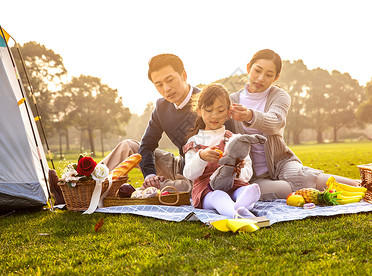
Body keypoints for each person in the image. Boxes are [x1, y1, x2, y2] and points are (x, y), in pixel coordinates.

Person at [229, 49, 360, 200]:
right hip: (251, 173)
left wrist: (249, 115)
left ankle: (360, 186)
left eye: (269, 75)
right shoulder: (232, 100)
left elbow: (275, 122)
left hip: (281, 162)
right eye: (257, 71)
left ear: (276, 77)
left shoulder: (279, 96)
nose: (260, 78)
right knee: (284, 189)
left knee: (303, 177)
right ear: (248, 68)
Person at [101, 53, 200, 192]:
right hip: (178, 164)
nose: (166, 89)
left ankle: (163, 188)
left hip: (202, 173)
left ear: (184, 75)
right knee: (129, 146)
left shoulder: (207, 101)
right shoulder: (161, 107)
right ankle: (84, 183)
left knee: (187, 189)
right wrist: (150, 174)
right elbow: (147, 145)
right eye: (159, 85)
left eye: (170, 80)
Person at [183, 83, 261, 218]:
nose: (214, 116)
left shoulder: (235, 139)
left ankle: (240, 208)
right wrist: (201, 157)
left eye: (220, 110)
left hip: (235, 186)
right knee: (219, 195)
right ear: (199, 111)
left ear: (228, 112)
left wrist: (237, 169)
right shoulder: (194, 143)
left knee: (246, 190)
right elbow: (189, 174)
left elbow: (248, 172)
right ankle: (236, 214)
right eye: (208, 110)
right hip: (207, 191)